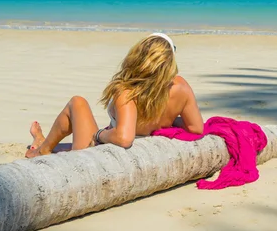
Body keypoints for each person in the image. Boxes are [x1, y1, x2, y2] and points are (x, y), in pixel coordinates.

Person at [25, 33, 204, 158]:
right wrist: (168, 120)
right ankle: (42, 141)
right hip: (144, 141)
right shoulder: (180, 86)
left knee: (77, 103)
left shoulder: (128, 91)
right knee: (80, 128)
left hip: (103, 153)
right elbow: (196, 128)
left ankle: (42, 150)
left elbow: (124, 138)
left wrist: (100, 135)